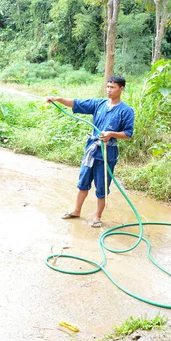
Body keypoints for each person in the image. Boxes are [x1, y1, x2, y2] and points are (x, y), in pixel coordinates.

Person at [46, 75, 135, 228]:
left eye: (112, 87)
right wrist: (58, 99)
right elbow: (76, 103)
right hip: (91, 151)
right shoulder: (98, 104)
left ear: (122, 89)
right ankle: (76, 210)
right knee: (83, 183)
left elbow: (128, 133)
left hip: (107, 153)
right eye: (107, 87)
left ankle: (97, 216)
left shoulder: (126, 111)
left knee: (102, 186)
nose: (109, 90)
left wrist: (111, 134)